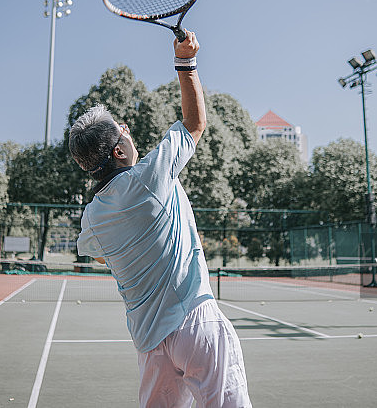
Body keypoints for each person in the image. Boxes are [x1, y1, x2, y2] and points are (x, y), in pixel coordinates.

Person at [69, 30, 252, 408]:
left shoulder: (93, 218)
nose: (128, 128)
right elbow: (195, 123)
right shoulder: (151, 176)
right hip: (196, 321)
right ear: (120, 149)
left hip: (150, 345)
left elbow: (96, 253)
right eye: (123, 127)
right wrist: (186, 63)